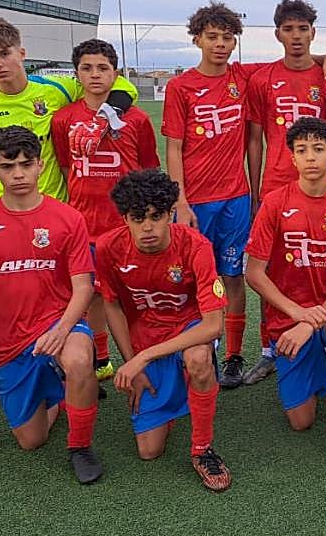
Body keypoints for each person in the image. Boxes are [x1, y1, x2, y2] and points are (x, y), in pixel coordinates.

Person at [0, 126, 103, 484]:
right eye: (8, 166)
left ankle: (80, 445)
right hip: (10, 341)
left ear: (40, 165)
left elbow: (84, 286)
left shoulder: (68, 218)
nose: (18, 174)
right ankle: (63, 393)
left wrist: (62, 329)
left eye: (25, 164)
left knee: (80, 358)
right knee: (30, 441)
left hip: (60, 325)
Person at [95, 170, 231, 491]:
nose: (147, 227)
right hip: (147, 338)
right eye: (137, 217)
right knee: (148, 451)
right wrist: (132, 361)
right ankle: (179, 392)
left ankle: (202, 449)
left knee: (198, 359)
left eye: (157, 217)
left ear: (172, 213)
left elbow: (213, 325)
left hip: (189, 331)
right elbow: (111, 305)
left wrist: (142, 358)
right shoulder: (108, 249)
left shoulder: (196, 246)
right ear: (125, 218)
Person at [244, 118, 326, 466]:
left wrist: (311, 321)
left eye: (318, 149)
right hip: (291, 313)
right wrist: (298, 315)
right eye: (302, 150)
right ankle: (319, 360)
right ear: (292, 159)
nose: (310, 157)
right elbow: (254, 274)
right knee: (300, 421)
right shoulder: (274, 203)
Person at [242, 0, 326, 386]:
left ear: (313, 33)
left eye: (303, 29)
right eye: (289, 29)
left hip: (319, 188)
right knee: (273, 267)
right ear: (277, 34)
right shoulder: (261, 79)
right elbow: (254, 139)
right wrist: (255, 192)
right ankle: (270, 348)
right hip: (274, 187)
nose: (296, 36)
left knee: (320, 261)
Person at [162, 2, 257, 388]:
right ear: (197, 38)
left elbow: (292, 60)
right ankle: (197, 348)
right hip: (195, 201)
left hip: (235, 197)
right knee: (191, 277)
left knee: (233, 275)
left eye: (227, 37)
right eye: (212, 37)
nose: (220, 44)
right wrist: (179, 201)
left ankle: (233, 354)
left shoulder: (243, 78)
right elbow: (173, 148)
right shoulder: (180, 86)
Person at [52, 39, 158, 381]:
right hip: (84, 226)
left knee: (133, 294)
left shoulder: (137, 120)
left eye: (103, 68)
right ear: (77, 74)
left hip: (125, 227)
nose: (95, 75)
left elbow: (147, 169)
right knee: (91, 296)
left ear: (116, 73)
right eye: (87, 68)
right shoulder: (64, 119)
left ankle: (142, 354)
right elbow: (68, 168)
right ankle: (99, 358)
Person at [0, 17, 137, 215]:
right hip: (3, 206)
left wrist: (107, 115)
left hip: (54, 204)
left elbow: (119, 85)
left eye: (5, 54)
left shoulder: (57, 90)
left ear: (22, 53)